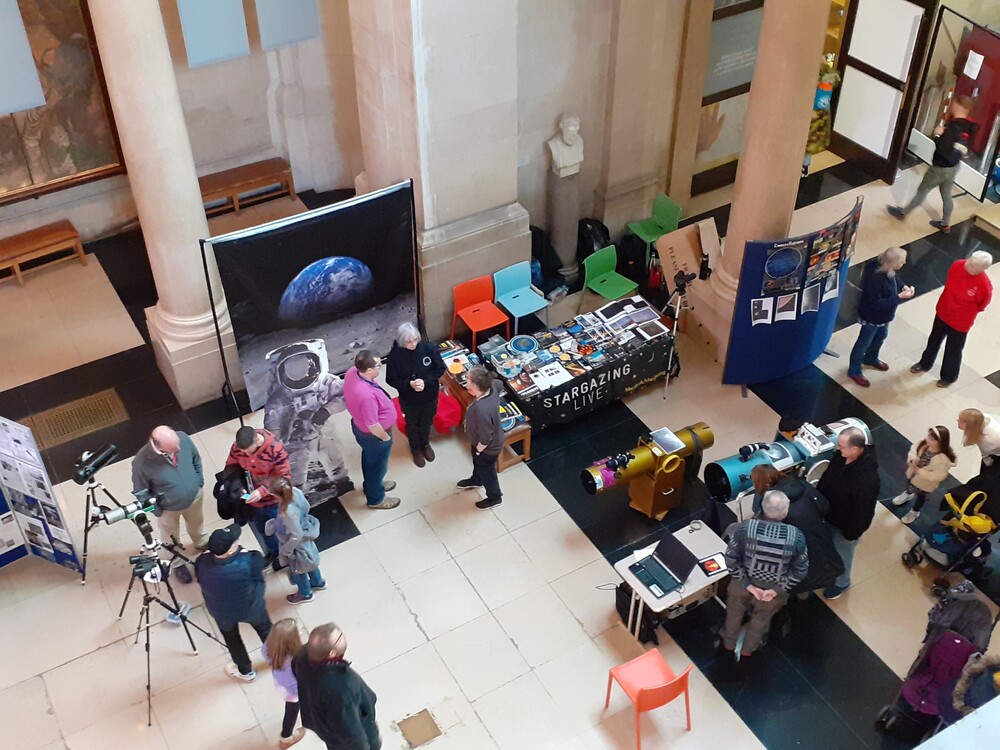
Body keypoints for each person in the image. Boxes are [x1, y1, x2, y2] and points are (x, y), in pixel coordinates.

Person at [719, 491, 809, 659]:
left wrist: (748, 585)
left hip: (742, 583)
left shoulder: (746, 528)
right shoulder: (796, 536)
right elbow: (801, 569)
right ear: (785, 512)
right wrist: (776, 590)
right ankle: (748, 649)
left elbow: (731, 558)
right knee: (761, 620)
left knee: (733, 613)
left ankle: (728, 643)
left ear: (763, 507)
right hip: (772, 591)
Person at [194, 524, 272, 682]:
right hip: (252, 608)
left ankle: (245, 671)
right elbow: (258, 570)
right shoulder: (251, 560)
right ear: (230, 550)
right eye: (235, 541)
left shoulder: (201, 563)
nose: (237, 541)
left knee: (232, 639)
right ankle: (278, 660)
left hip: (221, 612)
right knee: (266, 631)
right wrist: (243, 553)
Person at [887, 95, 976, 232]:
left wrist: (937, 135)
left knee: (922, 191)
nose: (951, 105)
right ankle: (945, 223)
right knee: (946, 195)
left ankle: (903, 213)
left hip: (939, 168)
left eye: (953, 103)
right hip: (953, 167)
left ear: (958, 106)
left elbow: (942, 149)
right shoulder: (967, 127)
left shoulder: (954, 127)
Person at [292, 622, 381, 750]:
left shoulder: (301, 656)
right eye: (340, 637)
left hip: (326, 728)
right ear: (332, 653)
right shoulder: (341, 687)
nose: (344, 636)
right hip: (354, 736)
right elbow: (352, 732)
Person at [910, 251, 993, 387]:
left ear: (982, 269)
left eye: (972, 266)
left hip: (961, 321)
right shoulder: (957, 265)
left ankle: (948, 377)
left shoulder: (984, 285)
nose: (968, 265)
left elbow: (982, 304)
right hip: (943, 311)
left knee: (953, 349)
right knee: (934, 339)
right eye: (969, 261)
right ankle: (924, 363)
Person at [816, 427, 880, 600]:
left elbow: (864, 510)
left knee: (844, 553)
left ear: (855, 449)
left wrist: (852, 533)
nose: (837, 448)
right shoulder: (841, 457)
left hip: (844, 526)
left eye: (841, 446)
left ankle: (842, 583)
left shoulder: (867, 479)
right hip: (829, 514)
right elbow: (828, 476)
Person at [131, 426, 206, 555]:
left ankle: (200, 541)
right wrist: (157, 511)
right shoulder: (141, 462)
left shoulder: (182, 438)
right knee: (170, 537)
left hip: (195, 497)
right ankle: (175, 559)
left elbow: (196, 459)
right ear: (158, 446)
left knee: (197, 523)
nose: (178, 449)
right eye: (173, 449)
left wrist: (199, 482)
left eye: (178, 444)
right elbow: (141, 492)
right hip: (169, 508)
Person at [847, 247, 914, 388]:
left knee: (881, 336)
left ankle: (871, 358)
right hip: (872, 317)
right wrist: (899, 297)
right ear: (892, 263)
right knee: (863, 342)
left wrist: (903, 287)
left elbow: (895, 279)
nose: (905, 263)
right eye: (902, 261)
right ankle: (854, 370)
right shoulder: (875, 278)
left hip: (884, 317)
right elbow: (876, 304)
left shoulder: (886, 269)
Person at [225, 425, 291, 561]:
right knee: (263, 529)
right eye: (244, 453)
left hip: (273, 501)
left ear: (257, 441)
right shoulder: (237, 447)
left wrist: (262, 491)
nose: (248, 456)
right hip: (252, 501)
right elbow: (231, 468)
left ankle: (288, 555)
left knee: (281, 530)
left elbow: (284, 477)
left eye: (250, 452)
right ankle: (274, 553)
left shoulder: (275, 449)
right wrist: (238, 487)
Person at [343, 350, 400, 510]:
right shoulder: (366, 396)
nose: (380, 367)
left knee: (369, 460)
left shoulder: (353, 372)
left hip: (360, 428)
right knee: (377, 466)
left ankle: (371, 485)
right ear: (368, 370)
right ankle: (376, 499)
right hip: (374, 436)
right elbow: (373, 425)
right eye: (378, 365)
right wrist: (385, 438)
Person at [384, 322, 445, 468]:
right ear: (401, 341)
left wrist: (426, 381)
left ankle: (425, 443)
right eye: (408, 341)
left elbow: (440, 368)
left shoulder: (428, 348)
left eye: (415, 340)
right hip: (409, 399)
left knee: (426, 421)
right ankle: (415, 449)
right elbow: (391, 379)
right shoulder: (394, 357)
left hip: (429, 396)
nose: (412, 344)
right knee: (412, 424)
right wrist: (408, 384)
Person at [265, 476, 326, 605]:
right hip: (306, 534)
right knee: (309, 561)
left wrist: (287, 549)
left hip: (295, 546)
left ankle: (305, 593)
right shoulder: (296, 492)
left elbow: (296, 535)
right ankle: (318, 582)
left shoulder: (287, 513)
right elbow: (307, 506)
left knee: (297, 569)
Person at [456, 366, 504, 510]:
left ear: (475, 385)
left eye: (467, 378)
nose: (465, 379)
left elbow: (486, 437)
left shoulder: (482, 409)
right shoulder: (493, 386)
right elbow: (500, 384)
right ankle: (476, 479)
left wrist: (478, 449)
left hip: (486, 448)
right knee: (479, 465)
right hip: (481, 444)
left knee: (487, 471)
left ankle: (494, 497)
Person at [891, 426, 957, 525]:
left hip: (925, 484)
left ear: (939, 442)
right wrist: (913, 458)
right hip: (913, 474)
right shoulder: (924, 444)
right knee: (909, 484)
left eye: (931, 438)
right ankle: (908, 494)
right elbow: (914, 449)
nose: (927, 438)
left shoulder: (943, 460)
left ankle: (915, 511)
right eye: (928, 435)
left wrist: (919, 471)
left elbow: (938, 476)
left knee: (921, 497)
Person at [264, 619, 307, 748]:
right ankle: (286, 738)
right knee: (291, 712)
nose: (300, 631)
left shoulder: (268, 646)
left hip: (281, 683)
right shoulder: (297, 660)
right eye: (297, 632)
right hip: (294, 692)